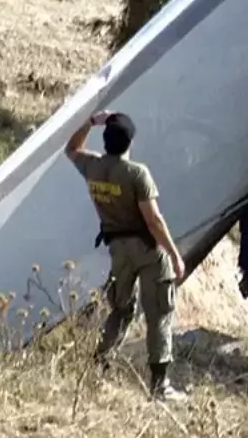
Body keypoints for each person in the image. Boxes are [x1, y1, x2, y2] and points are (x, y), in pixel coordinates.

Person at [64, 109, 187, 401]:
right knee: (158, 312)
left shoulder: (93, 167)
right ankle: (160, 386)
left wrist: (91, 122)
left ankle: (100, 366)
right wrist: (174, 254)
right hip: (146, 250)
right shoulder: (136, 173)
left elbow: (71, 148)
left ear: (106, 140)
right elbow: (153, 220)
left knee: (121, 309)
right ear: (130, 141)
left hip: (117, 250)